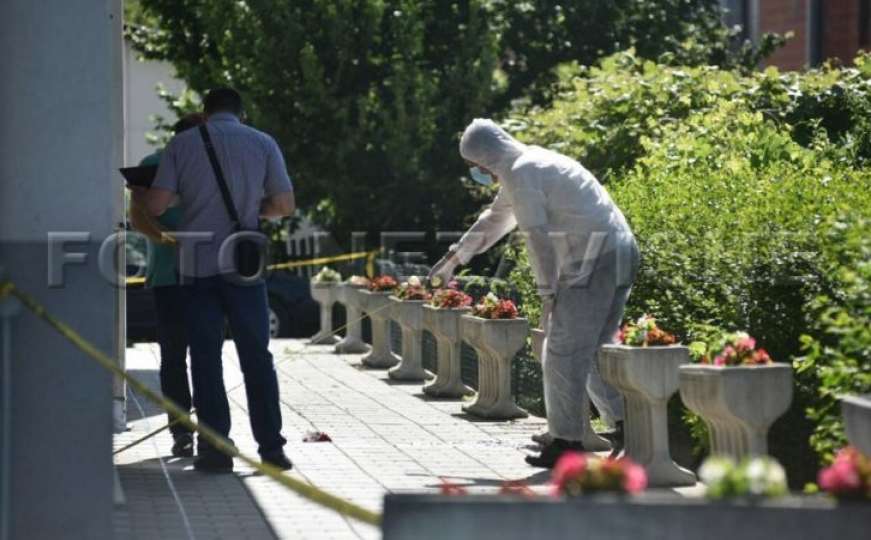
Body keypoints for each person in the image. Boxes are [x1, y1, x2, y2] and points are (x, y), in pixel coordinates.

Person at [428, 119, 640, 468]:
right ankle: (625, 430)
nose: (479, 175)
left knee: (561, 351)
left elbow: (538, 239)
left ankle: (566, 442)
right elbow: (494, 221)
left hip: (594, 258)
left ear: (487, 158)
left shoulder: (522, 173)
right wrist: (452, 260)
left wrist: (548, 292)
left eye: (476, 168)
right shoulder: (528, 164)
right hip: (616, 250)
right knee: (592, 350)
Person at [133, 88, 296, 473]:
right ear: (242, 113)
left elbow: (156, 206)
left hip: (197, 264)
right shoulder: (262, 142)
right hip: (245, 262)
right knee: (257, 356)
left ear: (204, 113)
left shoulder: (182, 144)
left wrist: (144, 193)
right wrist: (249, 210)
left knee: (205, 358)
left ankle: (216, 449)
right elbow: (285, 205)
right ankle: (271, 448)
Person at [129, 113, 205, 458]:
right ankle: (192, 432)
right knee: (187, 357)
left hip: (190, 275)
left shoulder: (195, 165)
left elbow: (138, 218)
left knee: (187, 357)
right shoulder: (157, 164)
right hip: (181, 275)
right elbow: (137, 217)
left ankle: (196, 431)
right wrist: (167, 239)